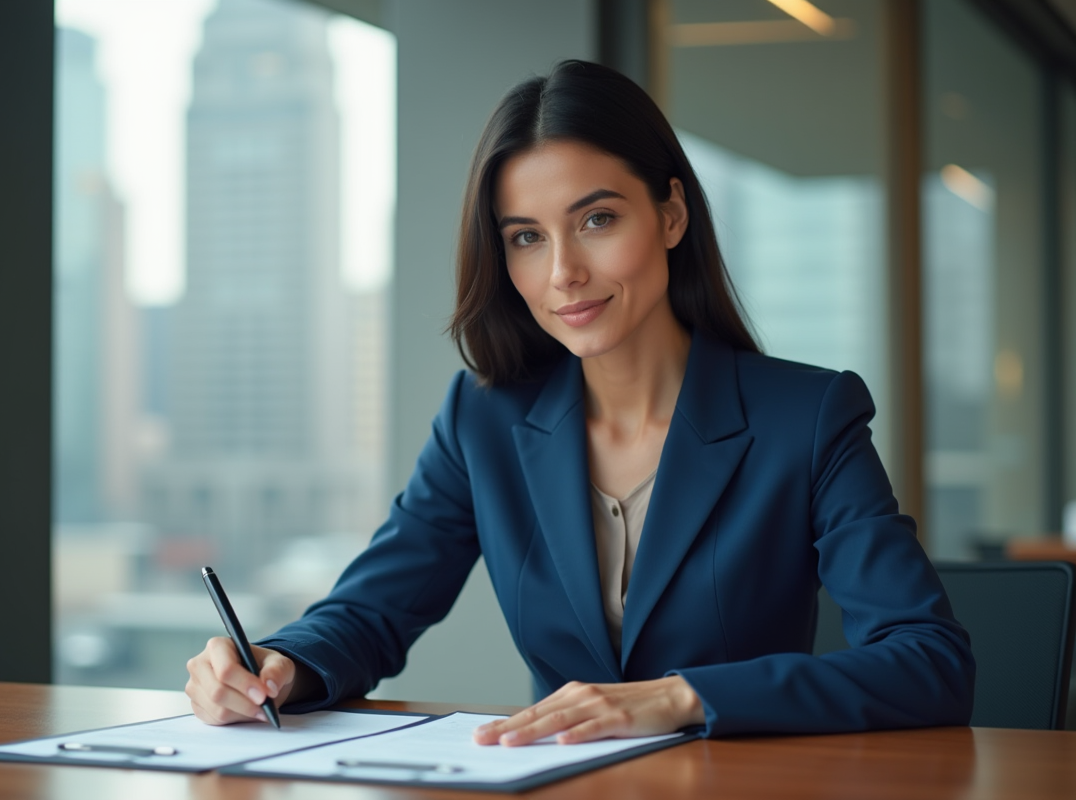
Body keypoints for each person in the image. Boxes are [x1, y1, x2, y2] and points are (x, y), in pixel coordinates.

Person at [185, 59, 975, 744]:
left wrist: (680, 698)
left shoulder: (806, 417)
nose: (562, 271)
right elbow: (371, 612)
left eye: (596, 219)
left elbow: (928, 661)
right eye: (527, 236)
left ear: (670, 214)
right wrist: (278, 665)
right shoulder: (482, 419)